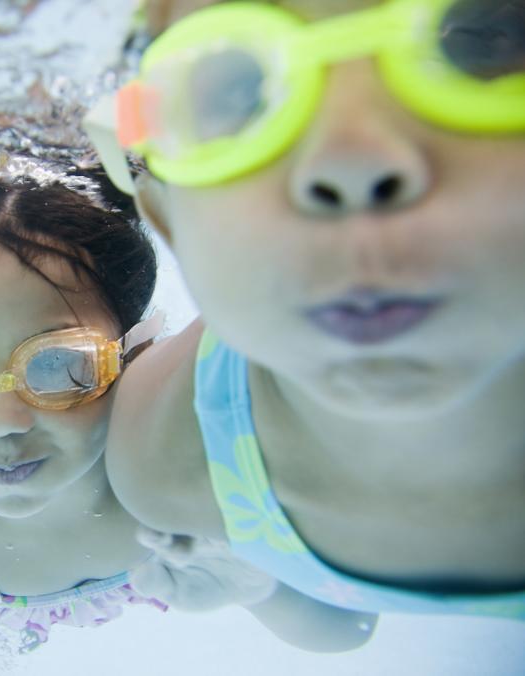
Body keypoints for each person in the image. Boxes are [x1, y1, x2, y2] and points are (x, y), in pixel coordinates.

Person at [0, 167, 375, 650]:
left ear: (137, 352)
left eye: (56, 366)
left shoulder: (195, 460)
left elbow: (349, 629)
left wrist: (265, 586)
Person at [87, 0, 525, 620]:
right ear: (168, 219)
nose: (351, 161)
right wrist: (263, 589)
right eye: (243, 94)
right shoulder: (164, 459)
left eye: (484, 42)